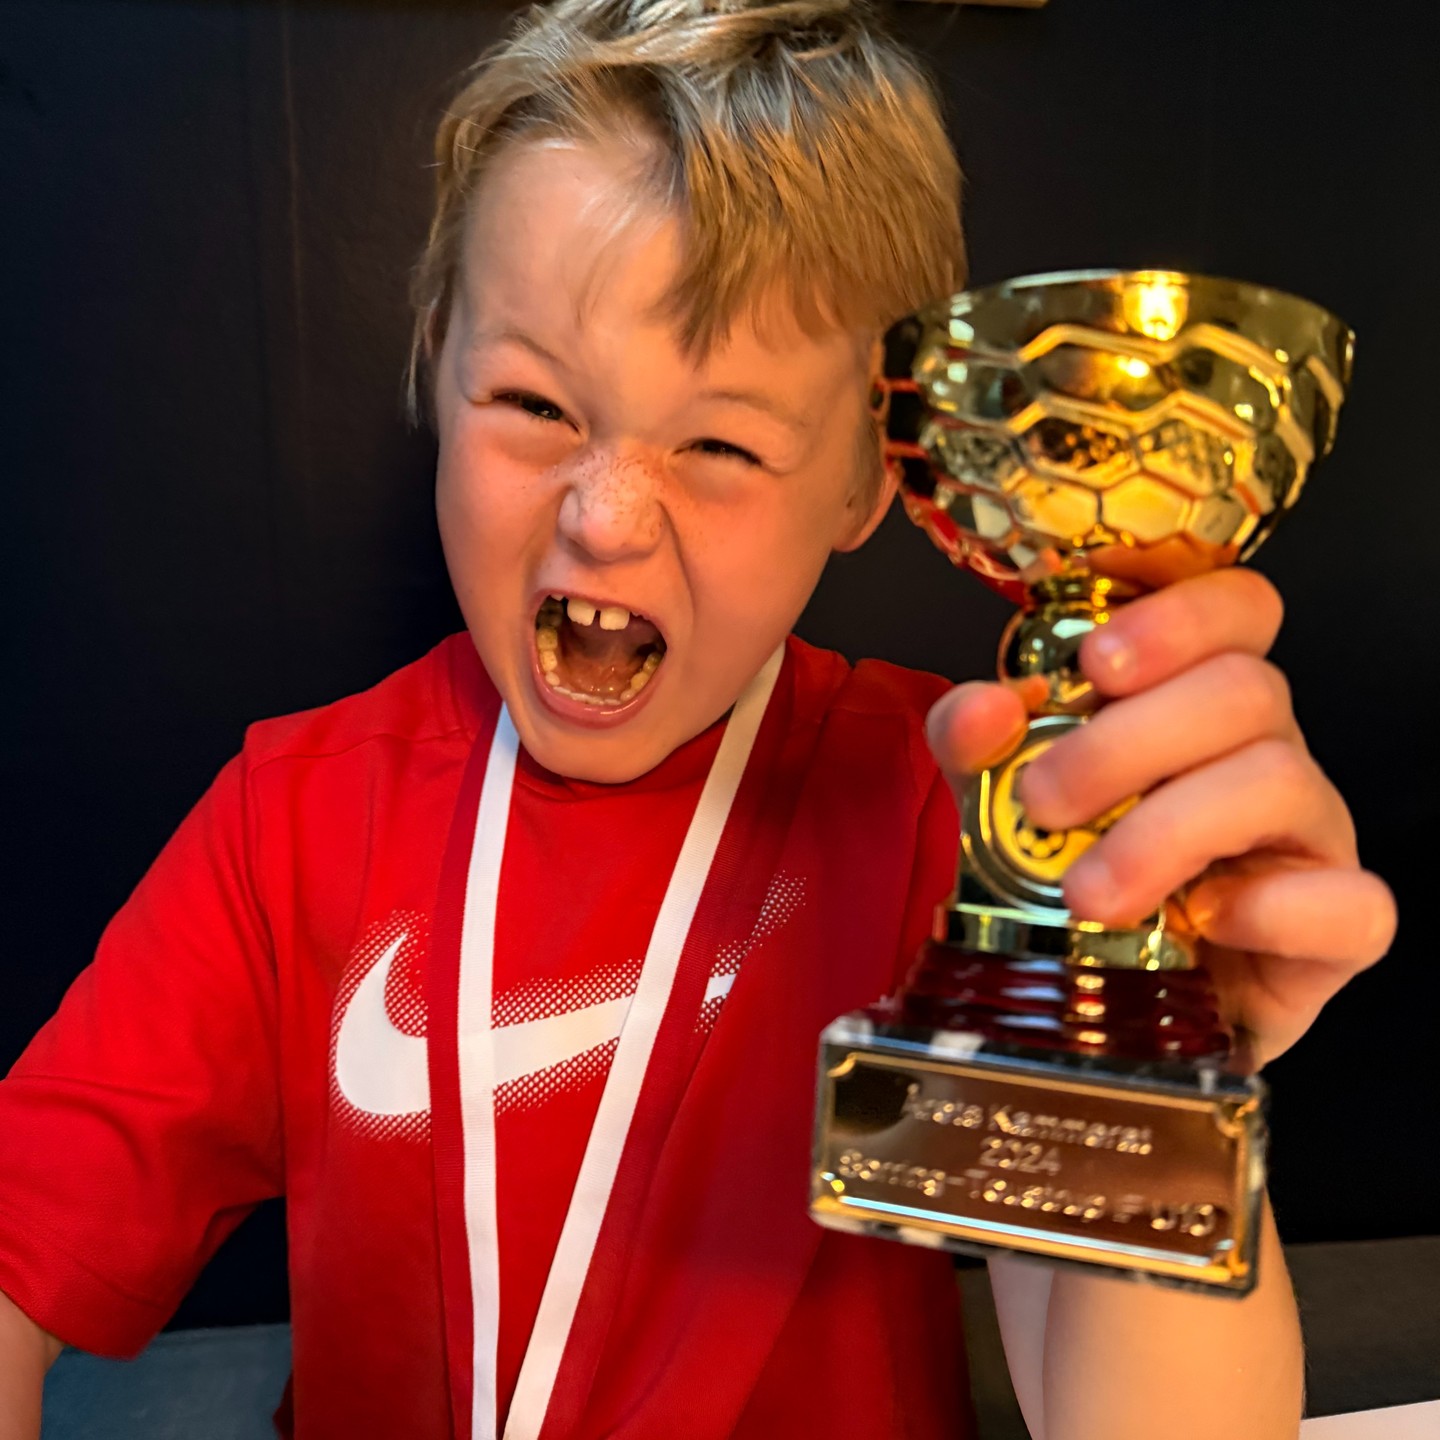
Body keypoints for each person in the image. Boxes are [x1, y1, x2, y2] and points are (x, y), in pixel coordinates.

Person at [0, 1, 1396, 1436]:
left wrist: (1150, 1040)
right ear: (433, 360)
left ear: (874, 478)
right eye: (535, 404)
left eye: (721, 441)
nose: (605, 519)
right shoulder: (296, 819)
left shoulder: (972, 817)